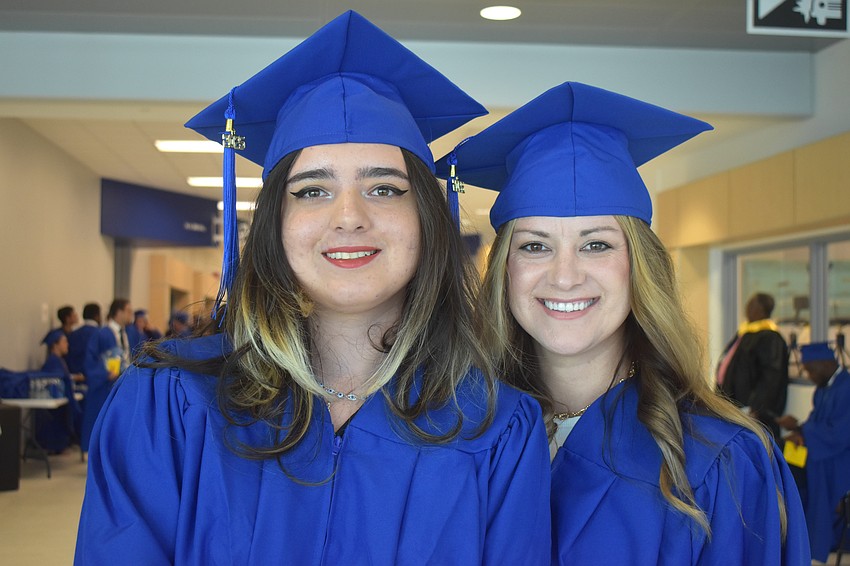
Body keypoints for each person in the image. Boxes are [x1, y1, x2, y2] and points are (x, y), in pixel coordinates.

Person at [75, 11, 551, 564]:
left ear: (426, 218)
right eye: (311, 191)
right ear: (276, 223)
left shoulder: (496, 428)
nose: (349, 217)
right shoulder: (171, 402)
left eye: (385, 187)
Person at [440, 81, 810, 563]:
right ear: (504, 270)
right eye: (534, 244)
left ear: (639, 267)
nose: (565, 276)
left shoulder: (720, 459)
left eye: (597, 244)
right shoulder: (459, 436)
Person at [778, 342, 850, 563]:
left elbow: (840, 432)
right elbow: (816, 423)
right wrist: (799, 431)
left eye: (809, 369)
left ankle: (814, 535)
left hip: (839, 458)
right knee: (781, 455)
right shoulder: (823, 389)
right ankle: (789, 529)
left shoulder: (847, 387)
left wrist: (806, 434)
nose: (808, 375)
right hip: (819, 452)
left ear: (825, 364)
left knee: (798, 475)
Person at [717, 292, 790, 441]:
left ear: (762, 310)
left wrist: (756, 407)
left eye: (751, 305)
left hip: (750, 410)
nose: (747, 309)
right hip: (734, 405)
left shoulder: (770, 338)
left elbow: (771, 378)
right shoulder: (746, 333)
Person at [37, 329, 83, 452]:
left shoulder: (59, 361)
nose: (67, 344)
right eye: (64, 342)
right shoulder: (52, 362)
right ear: (55, 345)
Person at [104, 298, 134, 372]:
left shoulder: (125, 332)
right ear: (119, 312)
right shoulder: (105, 333)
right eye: (128, 311)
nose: (131, 315)